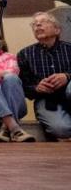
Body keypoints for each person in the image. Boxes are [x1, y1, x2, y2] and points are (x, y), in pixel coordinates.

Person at [17, 12, 71, 140]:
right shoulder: (24, 54)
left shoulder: (69, 49)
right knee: (61, 129)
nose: (38, 25)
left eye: (44, 21)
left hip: (69, 93)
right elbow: (23, 86)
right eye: (34, 24)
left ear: (57, 29)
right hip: (47, 100)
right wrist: (36, 88)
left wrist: (67, 76)